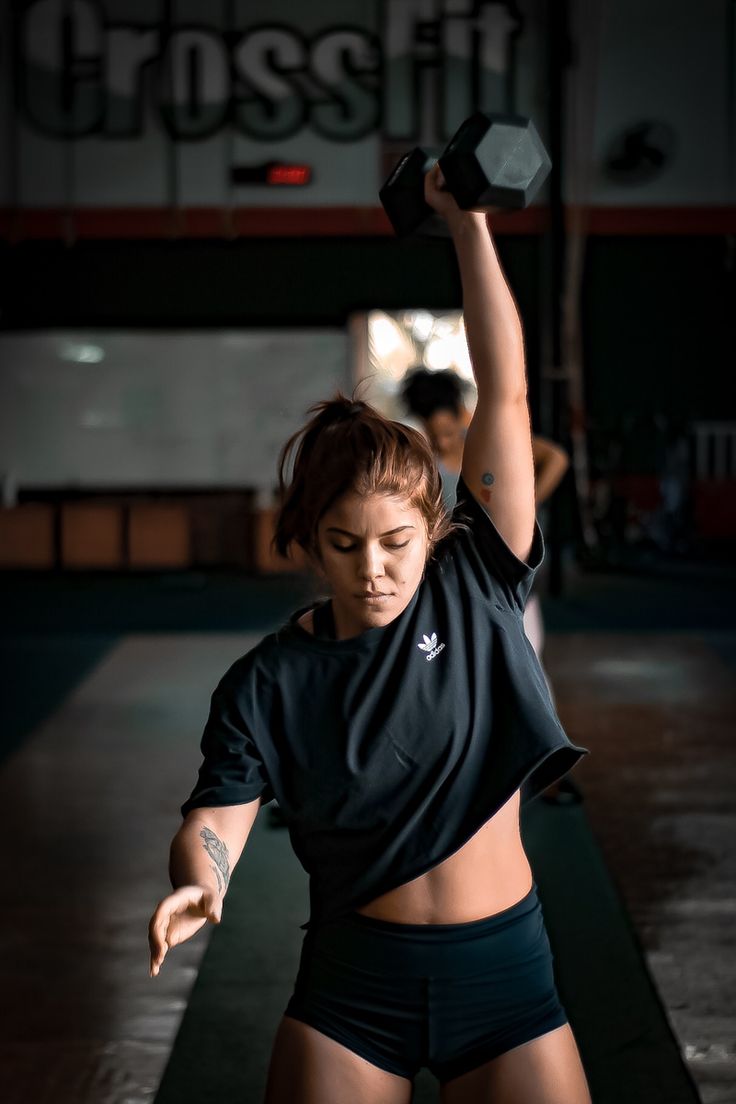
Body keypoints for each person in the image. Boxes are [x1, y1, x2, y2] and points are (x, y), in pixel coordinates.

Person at [148, 167, 591, 1104]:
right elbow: (217, 817)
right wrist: (202, 875)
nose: (375, 567)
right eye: (345, 545)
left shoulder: (478, 581)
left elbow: (503, 394)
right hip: (354, 992)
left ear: (434, 530)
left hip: (508, 979)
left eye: (396, 542)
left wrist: (467, 223)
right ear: (308, 543)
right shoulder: (267, 681)